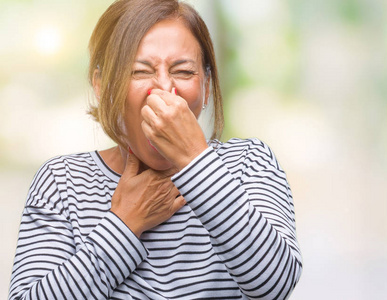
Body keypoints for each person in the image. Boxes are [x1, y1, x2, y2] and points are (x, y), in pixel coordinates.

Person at [8, 0, 302, 299]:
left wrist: (194, 160)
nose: (163, 89)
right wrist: (124, 224)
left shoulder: (248, 163)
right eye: (139, 71)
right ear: (100, 84)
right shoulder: (62, 182)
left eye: (184, 71)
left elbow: (274, 285)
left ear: (207, 85)